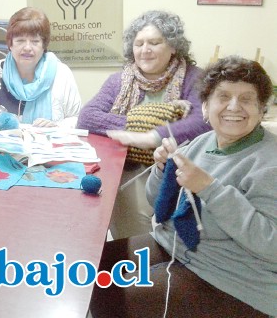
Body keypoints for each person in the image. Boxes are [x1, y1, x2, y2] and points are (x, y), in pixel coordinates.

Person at [89, 56, 277, 317]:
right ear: (205, 107)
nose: (234, 107)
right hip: (178, 246)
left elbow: (271, 244)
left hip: (236, 278)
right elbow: (157, 203)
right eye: (223, 97)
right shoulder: (203, 142)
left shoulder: (270, 162)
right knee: (94, 267)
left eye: (246, 99)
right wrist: (162, 169)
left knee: (117, 296)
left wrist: (209, 188)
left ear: (261, 109)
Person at [77, 10, 211, 239]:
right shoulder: (119, 80)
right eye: (139, 44)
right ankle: (132, 264)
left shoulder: (195, 78)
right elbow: (87, 117)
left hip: (176, 168)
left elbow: (203, 122)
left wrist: (153, 136)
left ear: (173, 46)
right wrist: (139, 125)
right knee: (124, 224)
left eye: (154, 42)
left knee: (159, 227)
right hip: (128, 166)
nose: (145, 50)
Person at [0, 7, 82, 128]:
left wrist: (57, 127)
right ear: (10, 44)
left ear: (44, 45)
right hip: (3, 145)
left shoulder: (62, 74)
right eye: (20, 41)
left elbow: (77, 119)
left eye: (35, 41)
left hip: (47, 145)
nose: (27, 48)